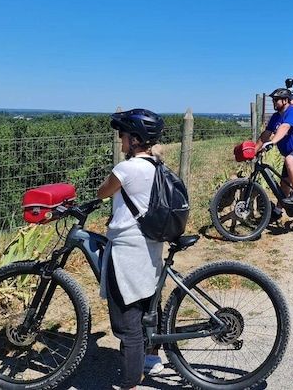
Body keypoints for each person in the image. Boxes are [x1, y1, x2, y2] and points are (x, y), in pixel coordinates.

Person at [97, 108, 166, 390]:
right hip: (150, 245)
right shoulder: (157, 165)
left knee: (128, 323)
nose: (120, 138)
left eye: (123, 133)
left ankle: (128, 384)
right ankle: (152, 358)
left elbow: (103, 192)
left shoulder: (125, 168)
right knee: (148, 302)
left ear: (136, 138)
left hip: (127, 250)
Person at [256, 87, 293, 218]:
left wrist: (273, 142)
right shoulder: (275, 117)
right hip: (292, 152)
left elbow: (284, 127)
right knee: (284, 184)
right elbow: (266, 134)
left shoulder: (292, 112)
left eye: (276, 100)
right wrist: (254, 150)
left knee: (290, 160)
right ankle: (277, 211)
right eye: (273, 100)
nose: (274, 103)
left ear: (286, 100)